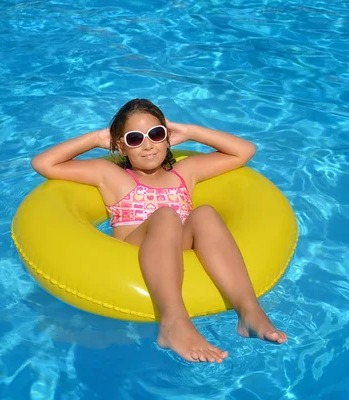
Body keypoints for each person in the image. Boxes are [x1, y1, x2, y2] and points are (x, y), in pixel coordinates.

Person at [31, 98, 287, 363]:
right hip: (134, 254)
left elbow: (244, 151)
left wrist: (189, 132)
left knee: (205, 213)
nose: (148, 144)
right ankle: (173, 323)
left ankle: (248, 312)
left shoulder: (184, 172)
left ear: (167, 138)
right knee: (166, 215)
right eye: (134, 139)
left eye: (156, 134)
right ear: (120, 146)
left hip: (176, 251)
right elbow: (44, 164)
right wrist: (97, 138)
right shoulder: (110, 175)